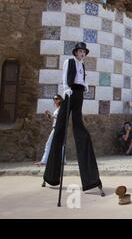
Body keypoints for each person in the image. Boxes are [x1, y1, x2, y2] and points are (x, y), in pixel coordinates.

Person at [43, 42, 104, 196]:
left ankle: (91, 180)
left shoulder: (82, 65)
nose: (82, 54)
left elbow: (82, 79)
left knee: (81, 131)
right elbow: (65, 77)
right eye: (80, 51)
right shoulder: (68, 62)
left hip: (79, 95)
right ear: (76, 52)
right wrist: (67, 89)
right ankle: (50, 176)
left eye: (84, 52)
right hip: (69, 95)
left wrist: (85, 86)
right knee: (59, 132)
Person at [35, 94, 63, 166]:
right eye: (54, 99)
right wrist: (49, 115)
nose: (55, 100)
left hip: (57, 128)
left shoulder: (61, 108)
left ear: (60, 99)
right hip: (57, 127)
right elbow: (53, 118)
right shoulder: (58, 108)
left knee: (48, 144)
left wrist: (52, 115)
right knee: (60, 144)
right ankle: (63, 160)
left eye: (56, 99)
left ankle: (44, 161)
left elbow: (59, 118)